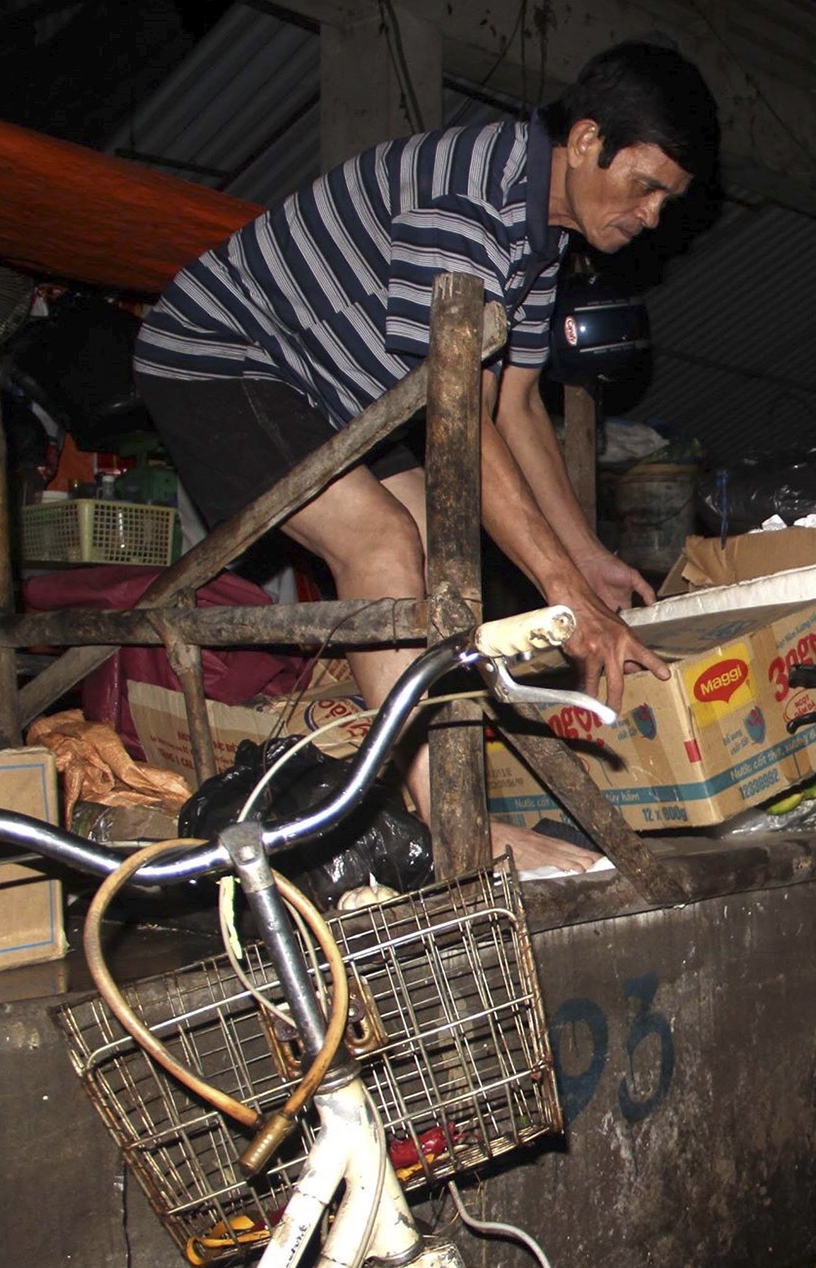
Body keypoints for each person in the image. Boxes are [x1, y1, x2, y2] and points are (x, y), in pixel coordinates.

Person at [133, 42, 719, 873]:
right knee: (379, 544)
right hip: (219, 357)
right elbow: (459, 431)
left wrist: (584, 561)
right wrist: (561, 590)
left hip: (325, 386)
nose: (652, 215)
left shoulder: (543, 237)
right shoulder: (470, 208)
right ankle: (447, 826)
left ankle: (442, 796)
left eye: (669, 198)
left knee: (438, 574)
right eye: (647, 186)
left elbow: (512, 407)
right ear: (587, 141)